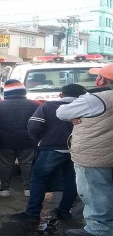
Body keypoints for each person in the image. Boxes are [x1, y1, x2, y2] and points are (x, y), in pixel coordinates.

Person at [11, 84, 87, 222]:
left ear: (61, 94)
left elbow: (34, 126)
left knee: (38, 179)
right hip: (79, 149)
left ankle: (33, 213)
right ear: (81, 95)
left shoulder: (48, 106)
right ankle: (64, 211)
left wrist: (39, 139)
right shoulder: (87, 107)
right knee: (72, 180)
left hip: (52, 148)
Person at [57, 64, 113, 236]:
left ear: (102, 79)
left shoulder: (96, 98)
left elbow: (61, 112)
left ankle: (99, 229)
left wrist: (79, 115)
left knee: (95, 192)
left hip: (95, 155)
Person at [0, 79, 41, 197]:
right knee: (27, 163)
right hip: (28, 139)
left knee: (5, 164)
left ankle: (4, 189)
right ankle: (29, 189)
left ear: (5, 92)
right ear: (24, 91)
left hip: (4, 140)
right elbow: (41, 123)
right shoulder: (36, 104)